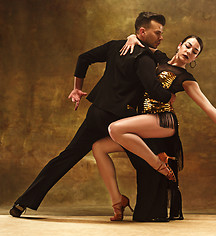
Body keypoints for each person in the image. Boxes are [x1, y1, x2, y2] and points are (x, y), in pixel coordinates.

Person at [9, 12, 175, 218]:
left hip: (98, 114)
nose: (161, 37)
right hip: (123, 122)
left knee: (67, 157)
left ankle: (21, 203)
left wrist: (76, 88)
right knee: (147, 161)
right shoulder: (145, 60)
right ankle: (150, 210)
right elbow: (156, 87)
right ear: (143, 31)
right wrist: (170, 95)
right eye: (157, 32)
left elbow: (84, 58)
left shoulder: (117, 46)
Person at [91, 34, 216, 221]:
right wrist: (131, 37)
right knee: (98, 148)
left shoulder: (186, 78)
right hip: (143, 120)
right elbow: (140, 43)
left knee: (115, 129)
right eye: (188, 46)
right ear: (180, 45)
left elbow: (207, 106)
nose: (189, 52)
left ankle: (160, 166)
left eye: (194, 52)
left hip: (163, 121)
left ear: (196, 58)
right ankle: (118, 201)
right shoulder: (159, 59)